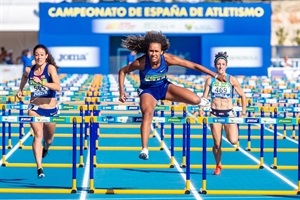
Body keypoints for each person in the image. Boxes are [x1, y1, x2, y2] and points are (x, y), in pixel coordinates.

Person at [118, 31, 227, 160]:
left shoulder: (168, 59)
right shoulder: (141, 62)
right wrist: (122, 91)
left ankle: (202, 102)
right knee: (148, 113)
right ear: (147, 51)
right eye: (151, 51)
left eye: (156, 51)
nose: (153, 54)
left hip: (164, 87)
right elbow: (122, 71)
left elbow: (193, 65)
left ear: (162, 52)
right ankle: (145, 149)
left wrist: (215, 75)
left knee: (196, 99)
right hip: (148, 91)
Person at [16, 44, 60, 178]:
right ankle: (39, 168)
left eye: (42, 54)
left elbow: (57, 86)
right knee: (38, 134)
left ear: (46, 56)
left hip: (50, 109)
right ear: (34, 56)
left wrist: (42, 83)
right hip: (34, 108)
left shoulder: (50, 68)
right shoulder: (29, 70)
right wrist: (20, 90)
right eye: (37, 54)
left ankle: (46, 148)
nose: (39, 57)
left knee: (49, 139)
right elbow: (24, 77)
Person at [202, 51, 246, 175]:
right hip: (215, 114)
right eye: (218, 64)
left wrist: (243, 112)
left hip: (229, 114)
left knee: (233, 141)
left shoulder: (231, 79)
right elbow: (205, 97)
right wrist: (200, 108)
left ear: (226, 66)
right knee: (217, 143)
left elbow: (243, 96)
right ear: (215, 66)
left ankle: (234, 131)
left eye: (223, 64)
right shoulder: (210, 80)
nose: (221, 66)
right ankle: (218, 165)